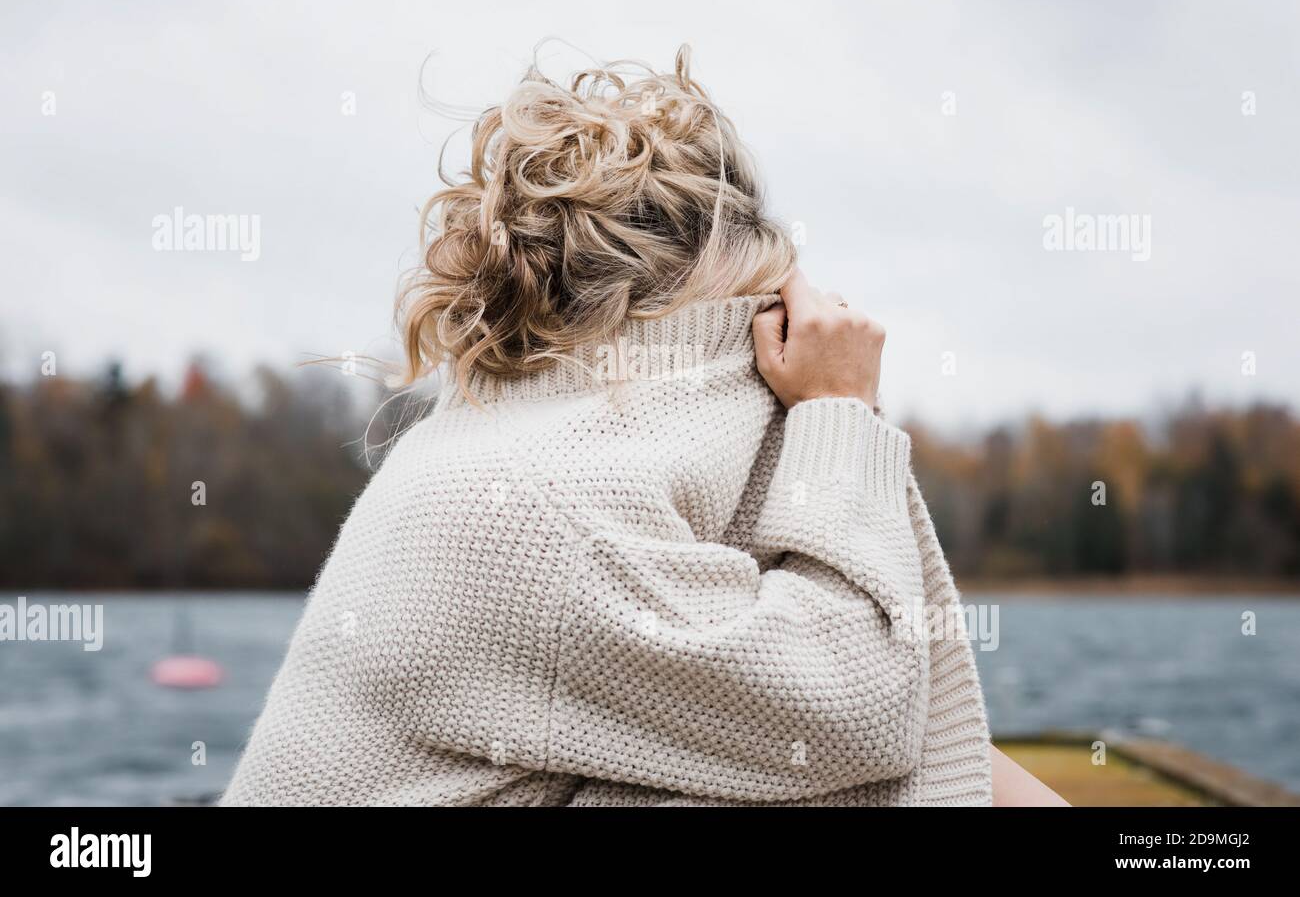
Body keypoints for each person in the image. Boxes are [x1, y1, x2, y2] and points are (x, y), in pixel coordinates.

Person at [223, 46, 1063, 806]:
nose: (777, 381)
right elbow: (858, 707)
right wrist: (839, 411)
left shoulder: (499, 448)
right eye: (763, 333)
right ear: (673, 343)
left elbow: (909, 737)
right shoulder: (532, 513)